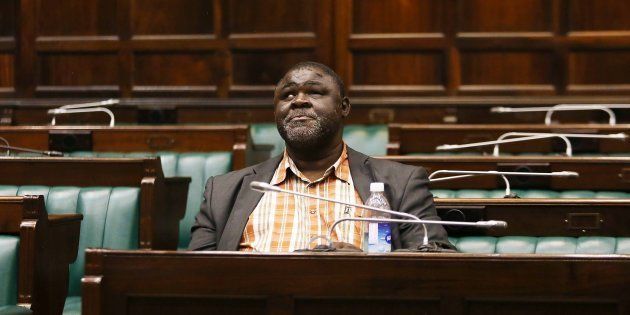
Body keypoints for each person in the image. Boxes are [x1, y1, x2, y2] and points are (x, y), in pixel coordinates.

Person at [189, 61, 453, 252]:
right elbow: (196, 277)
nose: (298, 101)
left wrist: (369, 266)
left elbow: (436, 256)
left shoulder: (401, 182)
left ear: (344, 107)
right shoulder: (222, 191)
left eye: (314, 92)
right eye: (287, 95)